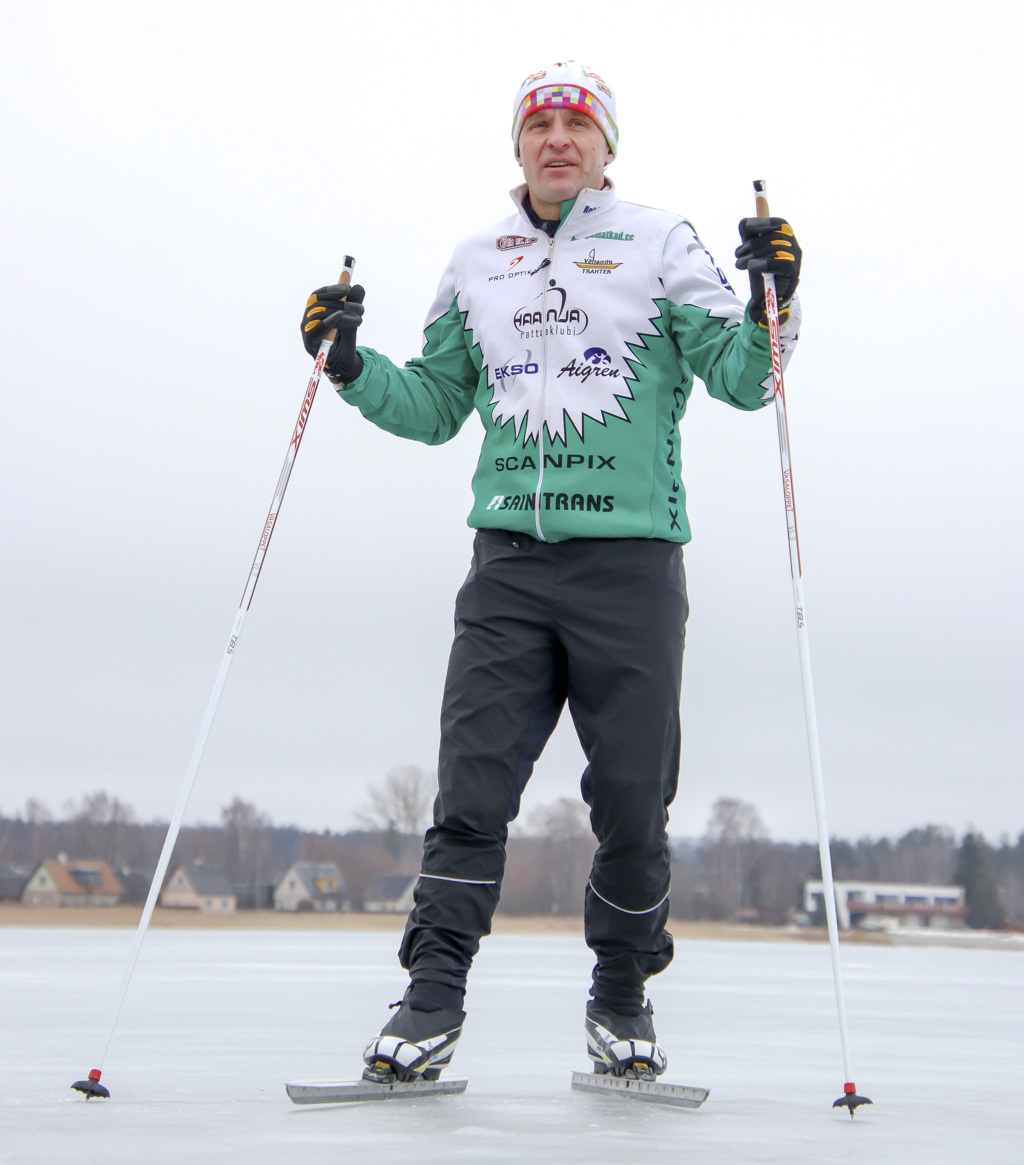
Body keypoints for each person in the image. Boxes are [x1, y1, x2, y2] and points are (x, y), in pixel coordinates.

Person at [300, 61, 802, 1084]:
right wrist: (351, 366)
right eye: (541, 125)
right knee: (470, 789)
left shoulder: (659, 241)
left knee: (629, 799)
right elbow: (436, 403)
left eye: (579, 125)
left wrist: (774, 301)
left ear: (607, 146)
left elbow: (748, 380)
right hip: (509, 569)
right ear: (518, 145)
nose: (559, 140)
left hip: (630, 566)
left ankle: (621, 997)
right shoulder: (476, 258)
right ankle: (430, 993)